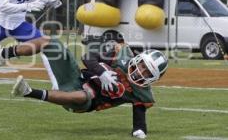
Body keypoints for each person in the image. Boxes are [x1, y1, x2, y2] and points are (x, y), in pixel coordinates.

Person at [10, 34, 168, 139]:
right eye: (143, 66)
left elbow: (139, 121)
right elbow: (88, 57)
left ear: (153, 79)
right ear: (138, 59)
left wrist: (139, 131)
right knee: (50, 42)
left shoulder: (141, 93)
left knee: (85, 94)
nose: (141, 71)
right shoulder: (121, 55)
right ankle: (5, 52)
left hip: (85, 102)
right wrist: (101, 72)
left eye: (147, 73)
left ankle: (28, 92)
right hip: (76, 77)